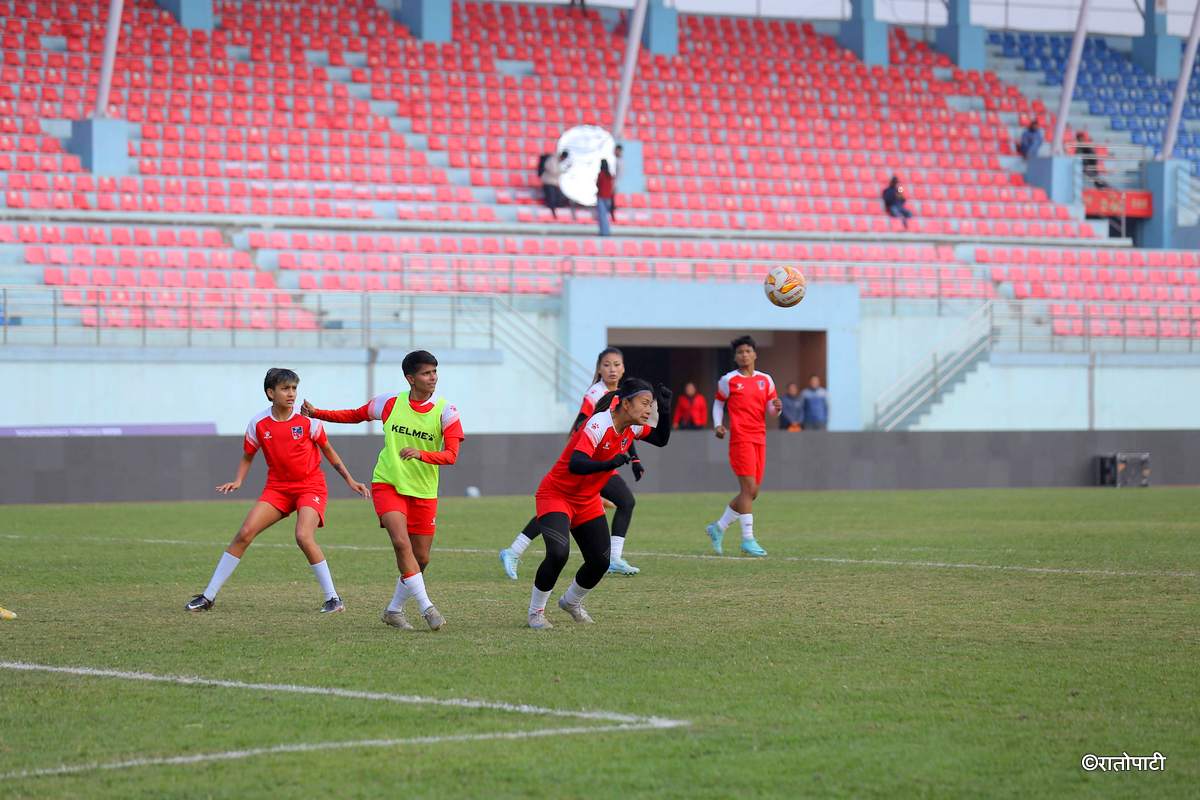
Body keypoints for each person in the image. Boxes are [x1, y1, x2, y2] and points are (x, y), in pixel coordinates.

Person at [302, 351, 464, 632]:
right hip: (387, 483)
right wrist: (318, 414)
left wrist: (422, 454)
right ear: (410, 378)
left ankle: (393, 610)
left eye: (435, 372)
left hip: (424, 491)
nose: (433, 377)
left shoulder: (446, 411)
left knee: (421, 558)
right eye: (426, 373)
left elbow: (451, 455)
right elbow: (356, 415)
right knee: (401, 544)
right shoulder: (390, 402)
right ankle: (427, 607)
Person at [186, 368, 369, 614]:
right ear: (270, 393)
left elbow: (329, 451)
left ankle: (333, 599)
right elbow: (248, 455)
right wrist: (238, 480)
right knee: (244, 534)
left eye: (294, 388)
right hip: (277, 489)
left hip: (310, 486)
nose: (291, 393)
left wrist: (350, 480)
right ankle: (208, 596)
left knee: (303, 536)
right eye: (285, 388)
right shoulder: (258, 424)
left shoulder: (309, 422)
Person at [524, 378, 673, 629]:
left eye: (652, 405)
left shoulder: (633, 427)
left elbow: (661, 439)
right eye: (645, 403)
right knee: (558, 553)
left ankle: (571, 601)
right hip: (557, 494)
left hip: (587, 500)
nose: (649, 410)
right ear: (626, 404)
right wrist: (609, 463)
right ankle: (535, 612)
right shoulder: (599, 423)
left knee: (600, 561)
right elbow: (576, 463)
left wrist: (667, 410)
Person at [502, 347, 646, 577]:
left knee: (563, 509)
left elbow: (625, 430)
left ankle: (514, 549)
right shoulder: (595, 394)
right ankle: (614, 558)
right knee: (567, 508)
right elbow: (583, 425)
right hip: (589, 462)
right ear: (599, 369)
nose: (612, 369)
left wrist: (635, 459)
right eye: (607, 365)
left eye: (617, 365)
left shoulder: (623, 396)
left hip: (604, 461)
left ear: (624, 368)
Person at [705, 336, 781, 558]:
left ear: (755, 354)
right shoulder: (728, 380)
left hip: (760, 438)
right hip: (740, 438)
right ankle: (748, 539)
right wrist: (718, 425)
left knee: (752, 492)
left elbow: (771, 410)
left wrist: (777, 407)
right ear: (735, 356)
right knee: (748, 489)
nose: (744, 355)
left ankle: (718, 528)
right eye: (740, 352)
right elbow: (719, 402)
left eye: (748, 351)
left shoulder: (766, 380)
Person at [596, 158, 615, 236]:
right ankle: (606, 231)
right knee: (606, 216)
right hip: (608, 198)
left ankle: (604, 232)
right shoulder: (609, 175)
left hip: (601, 197)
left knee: (602, 216)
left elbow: (598, 184)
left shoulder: (601, 174)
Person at [609, 144, 623, 222]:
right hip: (609, 183)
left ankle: (612, 214)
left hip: (613, 184)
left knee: (612, 199)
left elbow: (619, 174)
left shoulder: (620, 161)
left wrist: (614, 183)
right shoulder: (611, 159)